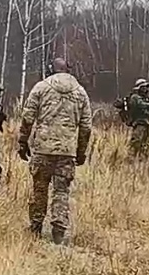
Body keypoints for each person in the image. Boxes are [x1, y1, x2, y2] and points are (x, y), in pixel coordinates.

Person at [17, 58, 92, 245]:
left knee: (39, 189)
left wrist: (23, 142)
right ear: (68, 69)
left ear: (52, 69)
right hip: (67, 152)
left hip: (42, 149)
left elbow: (27, 117)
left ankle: (35, 227)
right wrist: (81, 152)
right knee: (61, 192)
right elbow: (86, 127)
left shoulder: (41, 88)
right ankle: (58, 231)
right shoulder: (80, 92)